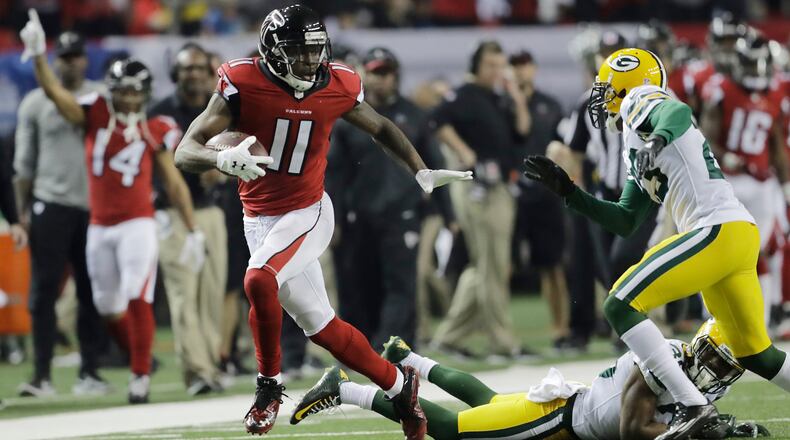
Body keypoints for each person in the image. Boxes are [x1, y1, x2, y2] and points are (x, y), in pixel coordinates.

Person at [171, 4, 471, 437]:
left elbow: (382, 127)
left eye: (316, 51)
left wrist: (419, 169)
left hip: (307, 212)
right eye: (301, 51)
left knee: (259, 280)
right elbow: (185, 151)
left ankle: (269, 386)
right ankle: (400, 386)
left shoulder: (337, 82)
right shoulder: (243, 81)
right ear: (273, 51)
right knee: (323, 328)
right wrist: (222, 158)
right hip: (256, 218)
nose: (312, 61)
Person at [523, 48, 790, 440]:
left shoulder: (641, 102)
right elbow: (626, 219)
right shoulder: (636, 138)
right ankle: (696, 405)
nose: (602, 98)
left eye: (606, 88)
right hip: (733, 233)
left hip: (714, 229)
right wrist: (571, 194)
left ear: (626, 83)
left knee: (619, 303)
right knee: (755, 353)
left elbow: (677, 113)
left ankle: (694, 406)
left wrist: (656, 140)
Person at [19, 9, 202, 404]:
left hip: (138, 223)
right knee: (106, 304)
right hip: (99, 225)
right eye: (124, 90)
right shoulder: (94, 113)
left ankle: (139, 376)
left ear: (147, 92)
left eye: (137, 91)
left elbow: (173, 182)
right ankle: (140, 357)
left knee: (138, 294)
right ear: (112, 90)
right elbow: (55, 92)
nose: (130, 98)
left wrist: (192, 228)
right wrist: (37, 55)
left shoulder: (156, 128)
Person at [293, 322, 768, 440]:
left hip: (567, 413)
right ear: (701, 346)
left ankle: (407, 358)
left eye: (728, 368)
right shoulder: (661, 361)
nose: (718, 373)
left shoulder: (684, 375)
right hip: (558, 419)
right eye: (719, 361)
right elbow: (631, 430)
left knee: (487, 401)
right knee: (453, 431)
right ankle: (346, 389)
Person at [327, 47, 455, 349]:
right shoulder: (348, 119)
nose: (381, 79)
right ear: (364, 75)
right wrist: (335, 220)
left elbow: (430, 166)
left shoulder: (415, 115)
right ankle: (365, 349)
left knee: (401, 284)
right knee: (361, 284)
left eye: (386, 72)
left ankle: (392, 346)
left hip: (403, 214)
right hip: (359, 216)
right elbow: (335, 174)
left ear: (396, 75)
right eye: (374, 72)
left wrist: (448, 215)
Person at [13, 30, 108, 397]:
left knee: (91, 291)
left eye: (76, 55)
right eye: (64, 56)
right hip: (49, 203)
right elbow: (24, 165)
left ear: (85, 58)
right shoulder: (34, 103)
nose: (71, 62)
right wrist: (22, 212)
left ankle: (90, 371)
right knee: (43, 291)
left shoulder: (100, 97)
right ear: (57, 59)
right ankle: (41, 375)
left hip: (94, 207)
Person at [430, 40, 531, 361]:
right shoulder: (464, 95)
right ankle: (503, 344)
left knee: (484, 267)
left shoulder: (498, 98)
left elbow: (522, 133)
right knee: (493, 267)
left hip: (499, 185)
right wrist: (463, 152)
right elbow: (436, 120)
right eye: (491, 65)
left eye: (500, 65)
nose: (497, 71)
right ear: (476, 65)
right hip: (477, 187)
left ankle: (448, 338)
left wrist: (517, 98)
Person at [149, 42, 228, 396]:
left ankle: (210, 364)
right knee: (183, 296)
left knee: (211, 294)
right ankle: (197, 371)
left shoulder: (222, 110)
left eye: (199, 68)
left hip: (211, 211)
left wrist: (224, 173)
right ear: (175, 74)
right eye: (186, 69)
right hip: (172, 214)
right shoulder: (162, 112)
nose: (193, 74)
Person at [700, 35, 790, 333]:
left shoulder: (772, 94)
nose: (756, 71)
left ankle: (760, 324)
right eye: (751, 64)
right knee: (719, 251)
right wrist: (733, 159)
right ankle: (714, 320)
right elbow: (707, 140)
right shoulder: (722, 91)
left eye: (760, 64)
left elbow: (776, 146)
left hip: (762, 186)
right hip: (730, 182)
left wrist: (786, 185)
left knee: (758, 250)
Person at [508, 50, 570, 350]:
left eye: (524, 65)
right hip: (512, 191)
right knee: (504, 264)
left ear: (533, 68)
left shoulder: (550, 105)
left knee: (552, 264)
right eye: (515, 66)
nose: (521, 71)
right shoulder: (502, 105)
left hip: (545, 193)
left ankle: (561, 327)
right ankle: (504, 334)